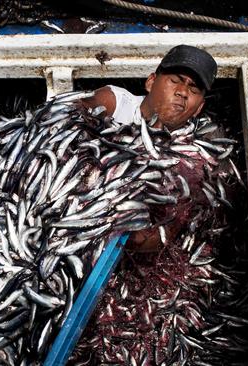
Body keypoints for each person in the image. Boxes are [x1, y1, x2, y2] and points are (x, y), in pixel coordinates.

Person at [80, 44, 218, 252]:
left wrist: (106, 225)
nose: (182, 92)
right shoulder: (114, 103)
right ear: (151, 82)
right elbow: (67, 116)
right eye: (175, 80)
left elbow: (159, 237)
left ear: (199, 108)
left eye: (194, 89)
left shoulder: (192, 158)